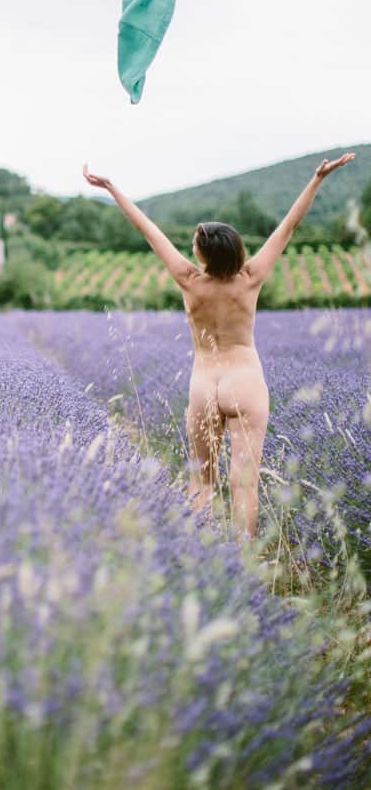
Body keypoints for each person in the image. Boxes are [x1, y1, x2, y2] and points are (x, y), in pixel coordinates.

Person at [82, 153, 355, 538]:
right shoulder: (251, 278)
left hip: (204, 385)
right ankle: (244, 559)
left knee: (202, 483)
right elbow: (289, 227)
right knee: (244, 484)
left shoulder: (189, 281)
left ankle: (204, 556)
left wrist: (112, 188)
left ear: (203, 253)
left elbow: (149, 231)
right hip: (245, 382)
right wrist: (317, 179)